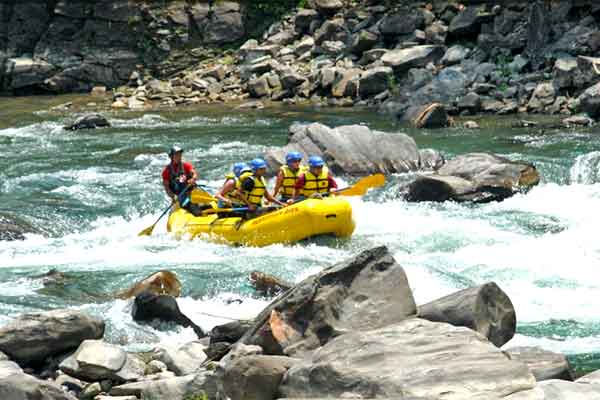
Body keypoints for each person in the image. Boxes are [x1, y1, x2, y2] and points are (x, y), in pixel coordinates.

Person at [161, 145, 202, 214]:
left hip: (190, 192)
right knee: (194, 208)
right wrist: (173, 197)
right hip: (179, 195)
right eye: (176, 155)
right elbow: (167, 188)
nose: (179, 157)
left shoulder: (186, 165)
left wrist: (193, 179)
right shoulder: (166, 171)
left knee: (204, 202)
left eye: (180, 155)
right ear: (171, 157)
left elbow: (194, 174)